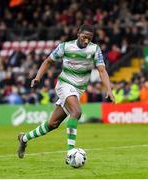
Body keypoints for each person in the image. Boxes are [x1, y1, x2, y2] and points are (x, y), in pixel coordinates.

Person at [17, 24, 115, 159]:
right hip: (64, 84)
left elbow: (102, 70)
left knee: (52, 124)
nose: (86, 41)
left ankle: (24, 138)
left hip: (78, 90)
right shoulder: (65, 46)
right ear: (78, 34)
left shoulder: (94, 49)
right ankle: (71, 152)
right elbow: (48, 61)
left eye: (89, 38)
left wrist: (109, 89)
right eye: (84, 37)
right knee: (76, 112)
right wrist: (38, 77)